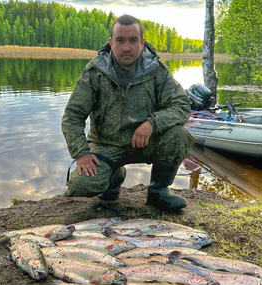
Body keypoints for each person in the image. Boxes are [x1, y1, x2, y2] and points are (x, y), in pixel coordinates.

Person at [61, 14, 196, 211]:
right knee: (82, 185)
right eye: (120, 40)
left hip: (146, 142)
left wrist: (152, 123)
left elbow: (181, 105)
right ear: (111, 42)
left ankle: (158, 192)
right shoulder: (95, 72)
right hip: (106, 145)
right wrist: (81, 153)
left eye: (133, 41)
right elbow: (72, 116)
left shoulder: (156, 70)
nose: (126, 47)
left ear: (141, 43)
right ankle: (113, 177)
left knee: (178, 135)